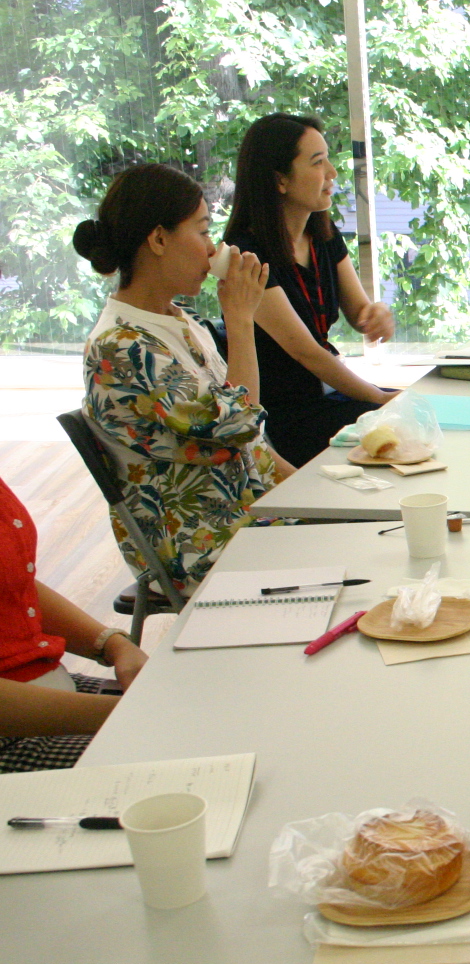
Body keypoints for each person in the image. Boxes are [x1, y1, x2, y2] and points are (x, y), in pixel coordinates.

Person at [74, 163, 287, 595]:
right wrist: (241, 320)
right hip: (204, 545)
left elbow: (254, 447)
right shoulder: (122, 347)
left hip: (250, 516)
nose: (214, 249)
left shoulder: (179, 321)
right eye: (204, 230)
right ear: (158, 239)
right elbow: (238, 426)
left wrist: (313, 486)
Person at [224, 113, 397, 466]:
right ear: (280, 180)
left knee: (413, 422)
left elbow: (359, 312)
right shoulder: (246, 254)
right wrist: (380, 397)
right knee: (401, 428)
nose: (332, 172)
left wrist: (375, 315)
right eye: (318, 163)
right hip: (289, 417)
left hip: (327, 398)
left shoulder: (321, 232)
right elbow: (306, 353)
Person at [1, 475, 147, 771]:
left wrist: (113, 645)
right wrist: (132, 713)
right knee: (201, 750)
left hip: (48, 689)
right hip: (11, 735)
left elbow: (12, 582)